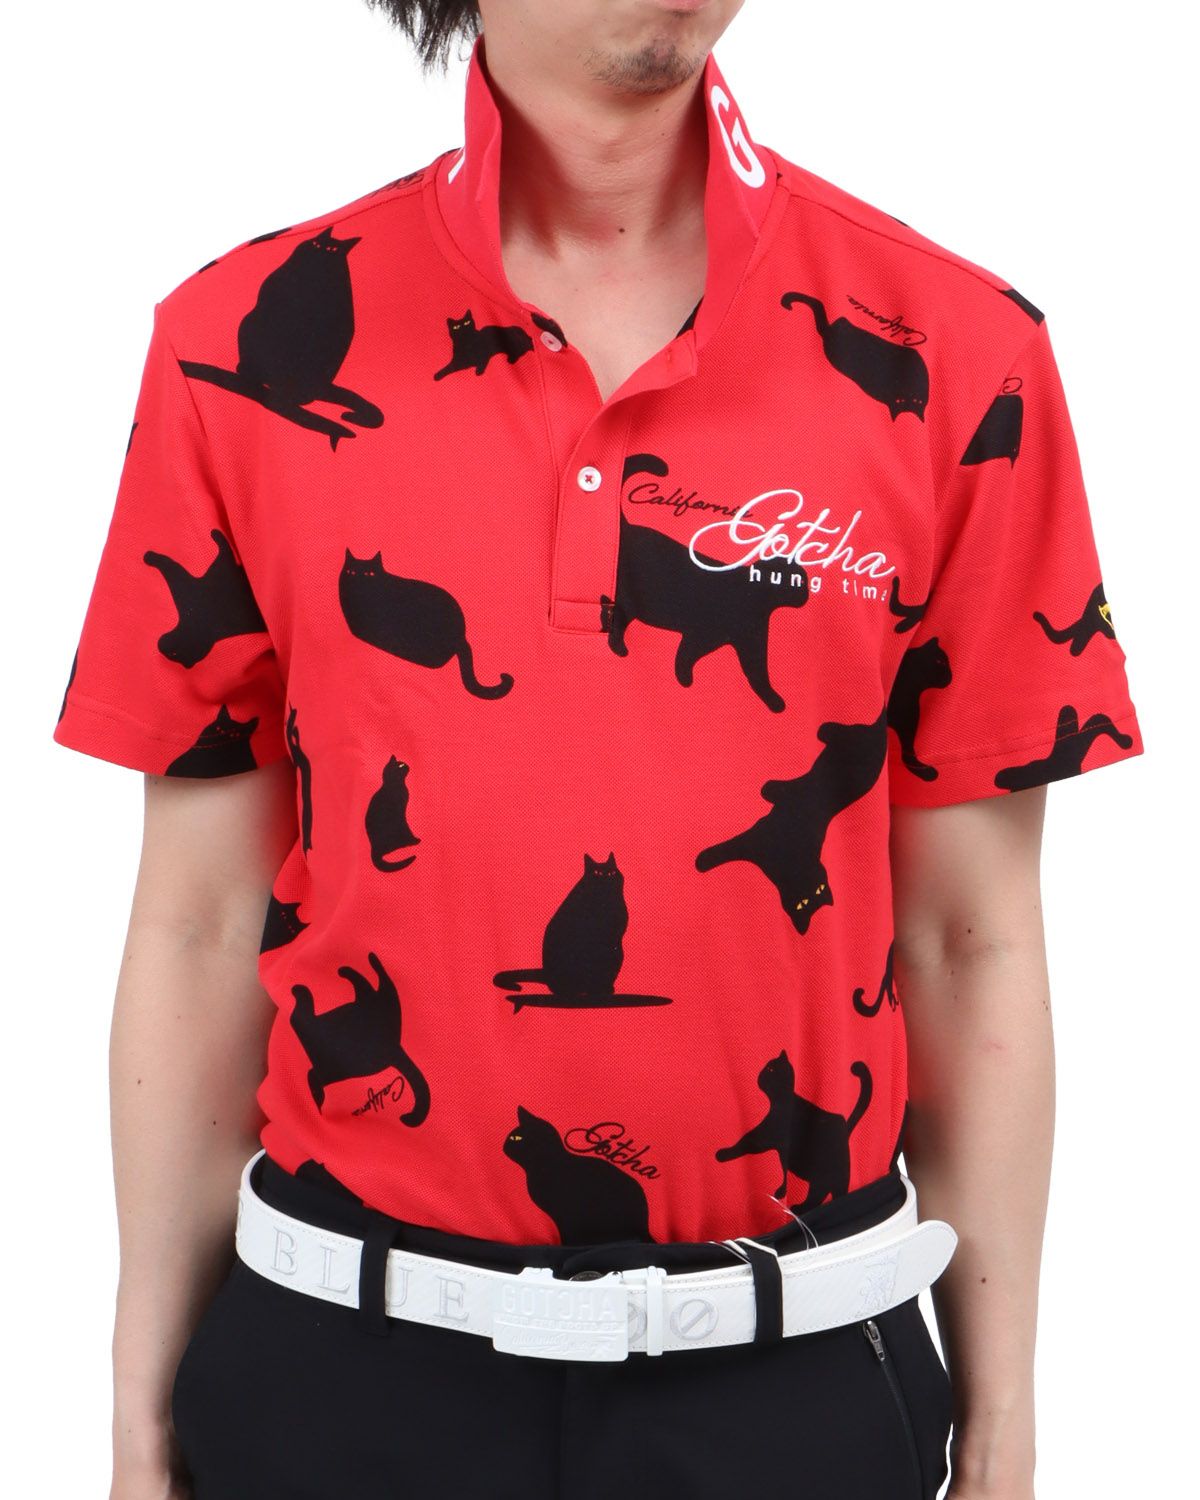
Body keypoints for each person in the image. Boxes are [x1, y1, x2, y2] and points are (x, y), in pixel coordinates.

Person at [52, 2, 1145, 1497]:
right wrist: (135, 1408)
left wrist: (1007, 1432)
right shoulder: (231, 344)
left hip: (795, 1383)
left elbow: (975, 937)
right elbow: (197, 920)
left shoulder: (961, 351)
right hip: (336, 1373)